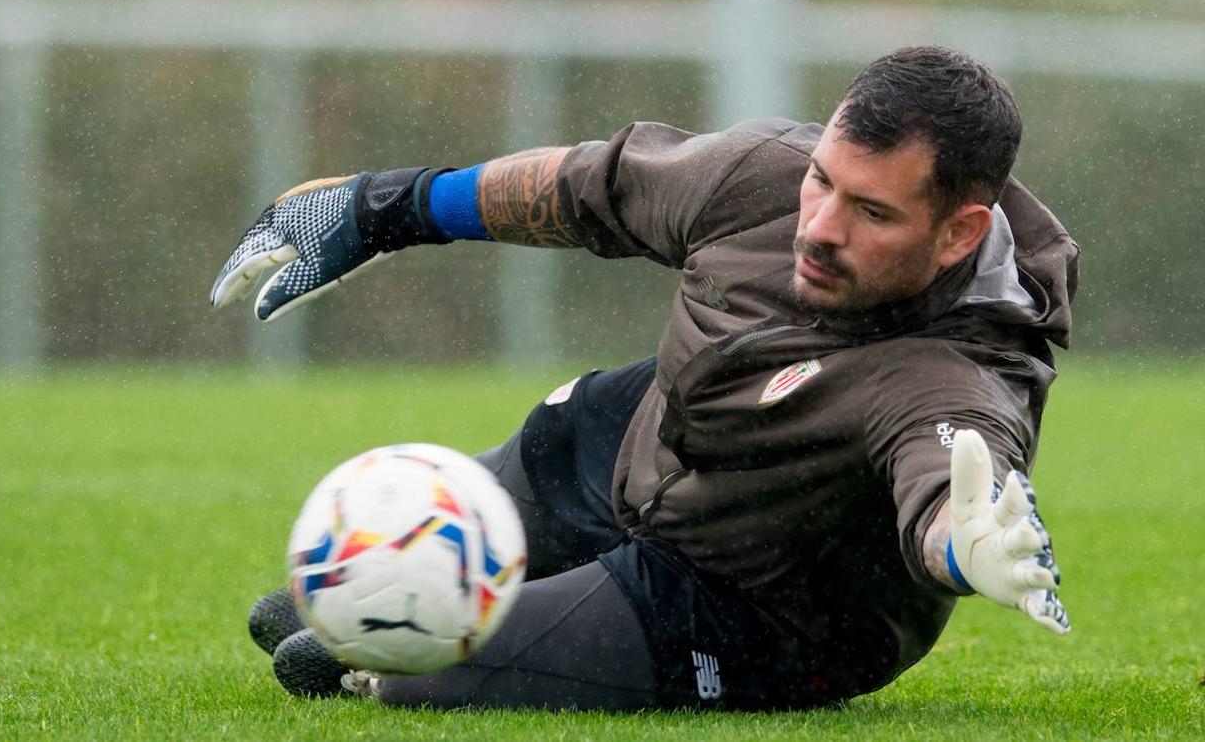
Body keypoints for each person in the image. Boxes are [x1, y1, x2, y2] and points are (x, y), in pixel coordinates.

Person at [212, 46, 1077, 711]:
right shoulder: (759, 174)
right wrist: (381, 210)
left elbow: (952, 483)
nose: (819, 225)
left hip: (756, 602)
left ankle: (419, 642)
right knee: (326, 596)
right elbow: (590, 188)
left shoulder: (958, 371)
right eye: (824, 180)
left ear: (960, 234)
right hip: (639, 439)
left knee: (390, 662)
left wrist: (964, 549)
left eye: (873, 212)